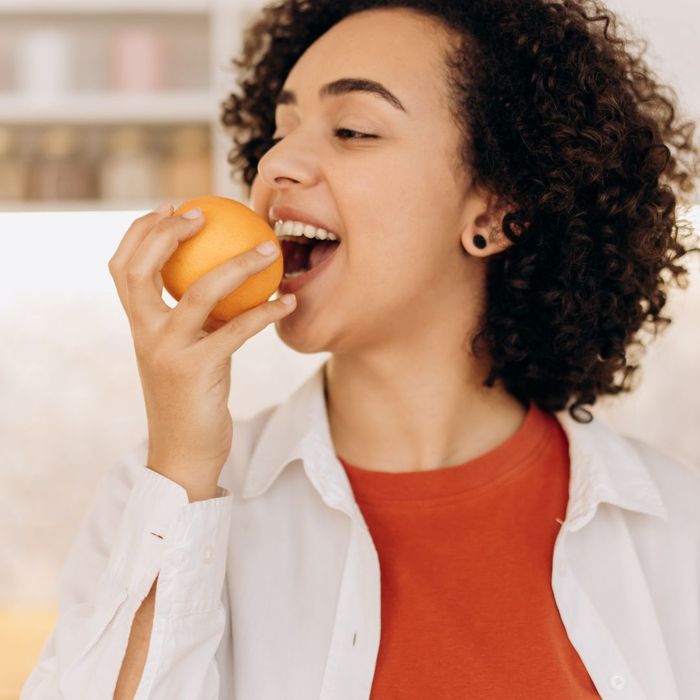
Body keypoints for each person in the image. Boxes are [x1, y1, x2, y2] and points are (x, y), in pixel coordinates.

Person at [22, 1, 700, 698]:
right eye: (278, 131)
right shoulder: (165, 498)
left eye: (353, 130)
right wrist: (181, 471)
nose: (277, 163)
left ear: (496, 211)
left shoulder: (678, 528)